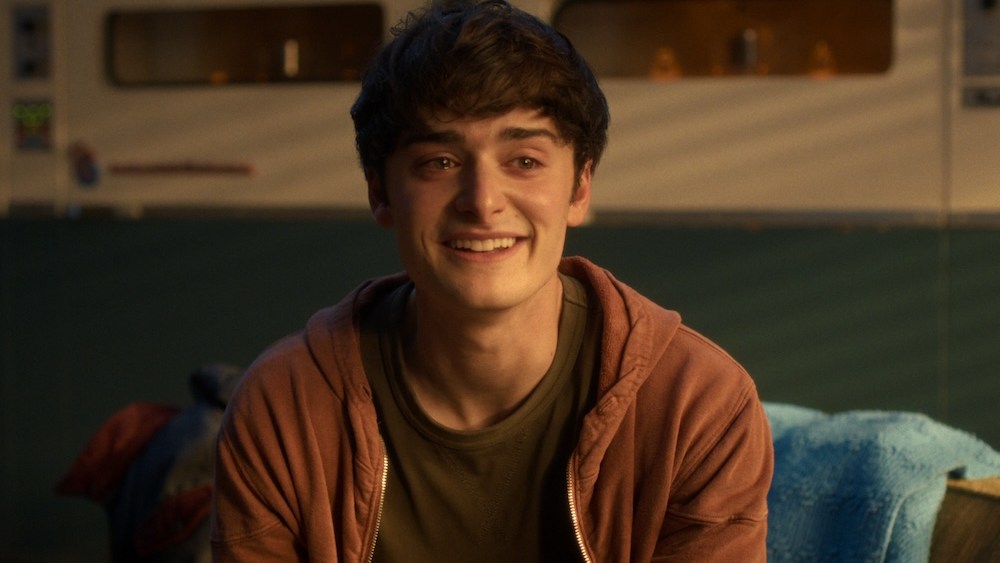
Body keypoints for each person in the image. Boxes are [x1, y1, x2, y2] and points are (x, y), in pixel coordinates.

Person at [210, 1, 773, 561]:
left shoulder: (697, 406)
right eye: (440, 162)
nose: (482, 203)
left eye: (524, 161)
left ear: (579, 188)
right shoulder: (284, 408)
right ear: (381, 193)